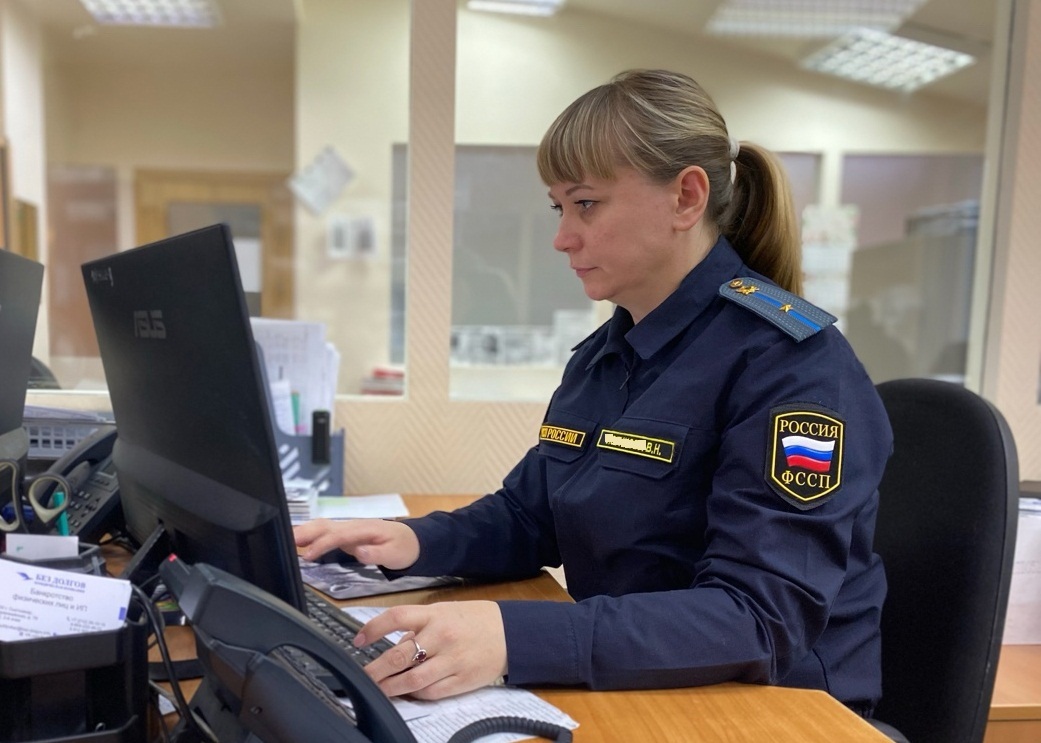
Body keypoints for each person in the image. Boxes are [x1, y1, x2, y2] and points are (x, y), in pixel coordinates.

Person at [294, 69, 893, 717]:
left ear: (686, 197)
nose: (562, 237)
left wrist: (512, 637)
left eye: (585, 204)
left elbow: (757, 618)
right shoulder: (608, 353)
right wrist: (410, 540)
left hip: (770, 707)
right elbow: (532, 516)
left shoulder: (792, 367)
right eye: (559, 208)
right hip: (639, 680)